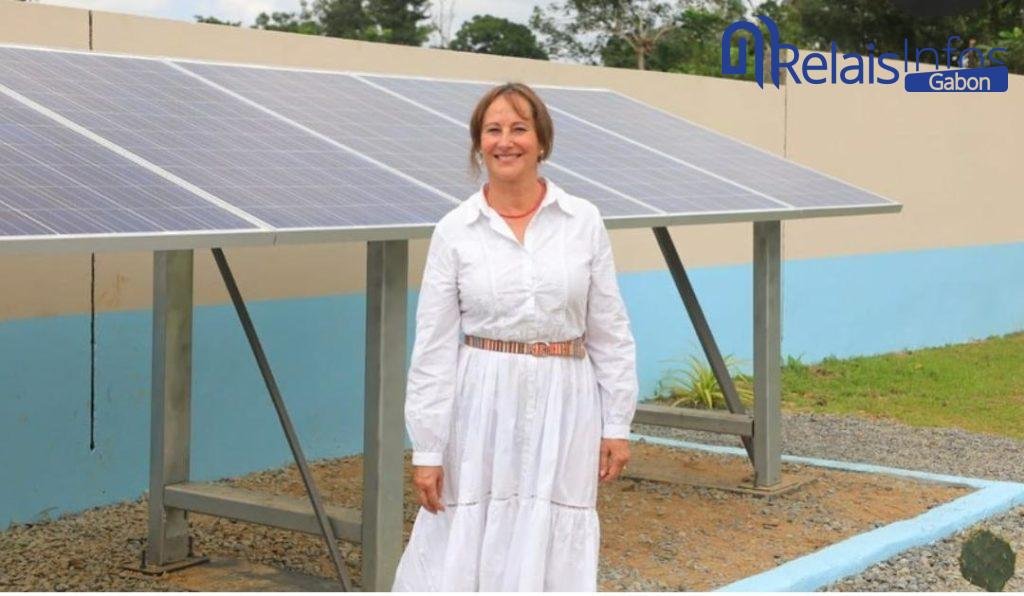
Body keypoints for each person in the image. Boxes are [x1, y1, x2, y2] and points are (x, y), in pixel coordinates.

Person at [391, 82, 639, 592]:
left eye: (519, 128)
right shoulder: (455, 229)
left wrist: (616, 423)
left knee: (552, 523)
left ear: (542, 141)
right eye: (493, 130)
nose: (506, 141)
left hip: (565, 402)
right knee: (468, 527)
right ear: (478, 145)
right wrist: (428, 449)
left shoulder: (583, 221)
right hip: (479, 403)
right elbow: (433, 347)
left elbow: (610, 330)